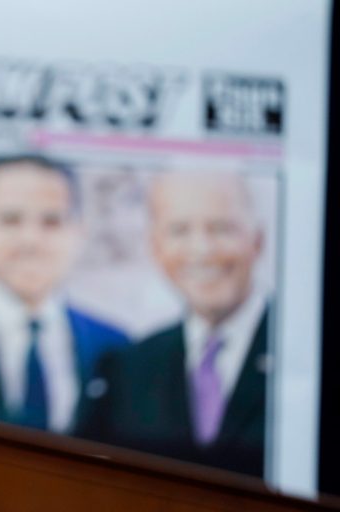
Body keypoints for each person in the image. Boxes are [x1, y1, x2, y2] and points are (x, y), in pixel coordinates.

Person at [75, 170, 271, 476]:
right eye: (179, 230)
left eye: (221, 228)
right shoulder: (127, 369)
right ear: (156, 247)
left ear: (257, 240)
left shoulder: (308, 356)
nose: (202, 250)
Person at [0, 155, 128, 434]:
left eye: (52, 221)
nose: (31, 239)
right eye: (11, 220)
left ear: (79, 231)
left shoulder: (115, 348)